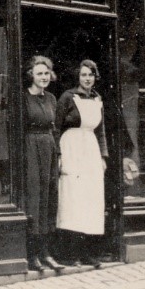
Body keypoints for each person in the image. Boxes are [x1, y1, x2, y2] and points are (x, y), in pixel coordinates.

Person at [56, 59, 109, 267]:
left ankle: (88, 253)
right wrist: (59, 155)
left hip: (91, 151)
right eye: (84, 75)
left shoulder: (97, 99)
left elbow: (101, 131)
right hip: (71, 148)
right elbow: (56, 127)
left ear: (96, 77)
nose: (87, 79)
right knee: (72, 200)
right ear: (78, 77)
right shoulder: (67, 98)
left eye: (91, 75)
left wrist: (103, 157)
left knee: (91, 200)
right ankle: (70, 254)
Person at [23, 55, 64, 273]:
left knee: (49, 197)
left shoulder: (51, 99)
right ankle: (33, 254)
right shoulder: (24, 98)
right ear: (31, 75)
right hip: (31, 147)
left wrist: (58, 154)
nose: (44, 77)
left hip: (48, 148)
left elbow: (55, 129)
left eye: (46, 73)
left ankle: (47, 252)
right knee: (34, 198)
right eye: (39, 73)